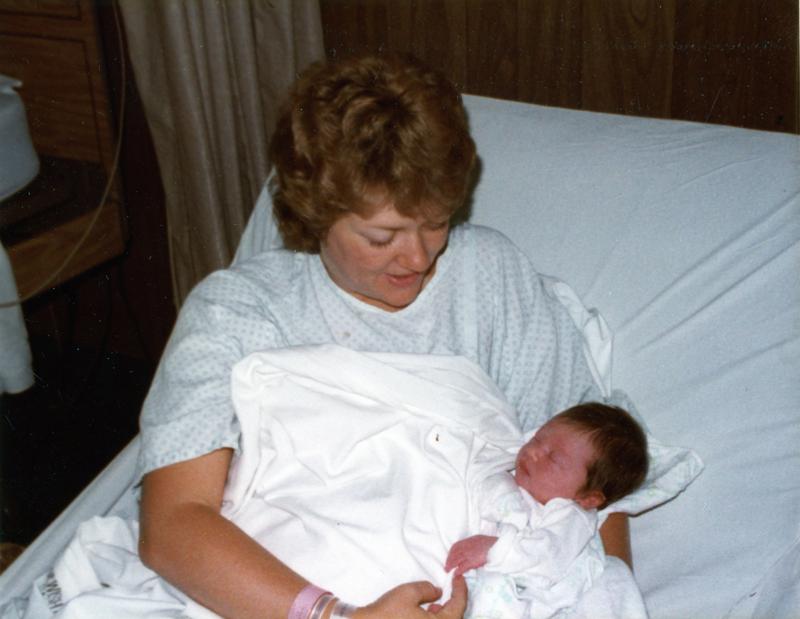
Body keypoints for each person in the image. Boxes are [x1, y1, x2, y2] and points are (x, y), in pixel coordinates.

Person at [136, 52, 635, 619]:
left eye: (436, 223)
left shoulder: (490, 278)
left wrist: (602, 599)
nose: (418, 257)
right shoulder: (238, 311)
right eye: (382, 238)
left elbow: (592, 478)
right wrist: (336, 616)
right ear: (314, 213)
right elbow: (173, 524)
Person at [444, 403, 648, 618]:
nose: (533, 452)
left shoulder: (571, 517)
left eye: (553, 458)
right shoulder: (506, 474)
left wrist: (496, 550)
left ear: (588, 498)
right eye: (536, 439)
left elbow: (548, 554)